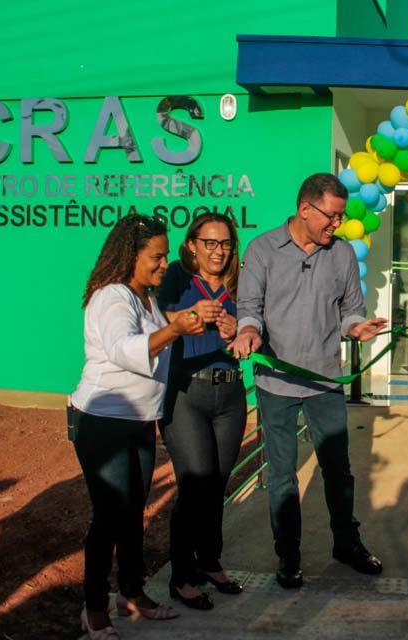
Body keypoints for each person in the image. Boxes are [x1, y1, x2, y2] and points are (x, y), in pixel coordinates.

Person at [227, 173, 388, 589]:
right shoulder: (262, 250)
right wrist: (247, 331)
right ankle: (289, 556)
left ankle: (346, 544)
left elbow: (351, 308)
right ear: (305, 209)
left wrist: (357, 328)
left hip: (325, 381)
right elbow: (249, 306)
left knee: (338, 470)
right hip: (275, 384)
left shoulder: (343, 254)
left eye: (340, 217)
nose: (337, 225)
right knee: (282, 474)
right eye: (332, 217)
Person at [71, 215, 204, 639]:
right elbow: (125, 350)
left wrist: (188, 324)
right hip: (102, 421)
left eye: (165, 256)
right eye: (157, 256)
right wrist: (174, 329)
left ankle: (132, 591)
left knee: (132, 515)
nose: (165, 264)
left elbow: (156, 345)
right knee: (109, 517)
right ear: (131, 255)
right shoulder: (112, 297)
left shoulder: (143, 296)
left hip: (137, 421)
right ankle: (94, 607)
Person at [157, 213, 246, 610]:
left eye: (225, 244)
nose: (218, 251)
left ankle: (209, 562)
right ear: (192, 244)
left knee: (217, 484)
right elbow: (153, 318)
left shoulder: (239, 282)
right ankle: (180, 576)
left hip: (229, 394)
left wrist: (237, 332)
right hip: (185, 392)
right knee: (194, 483)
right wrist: (187, 318)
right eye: (209, 243)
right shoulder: (175, 275)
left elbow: (255, 329)